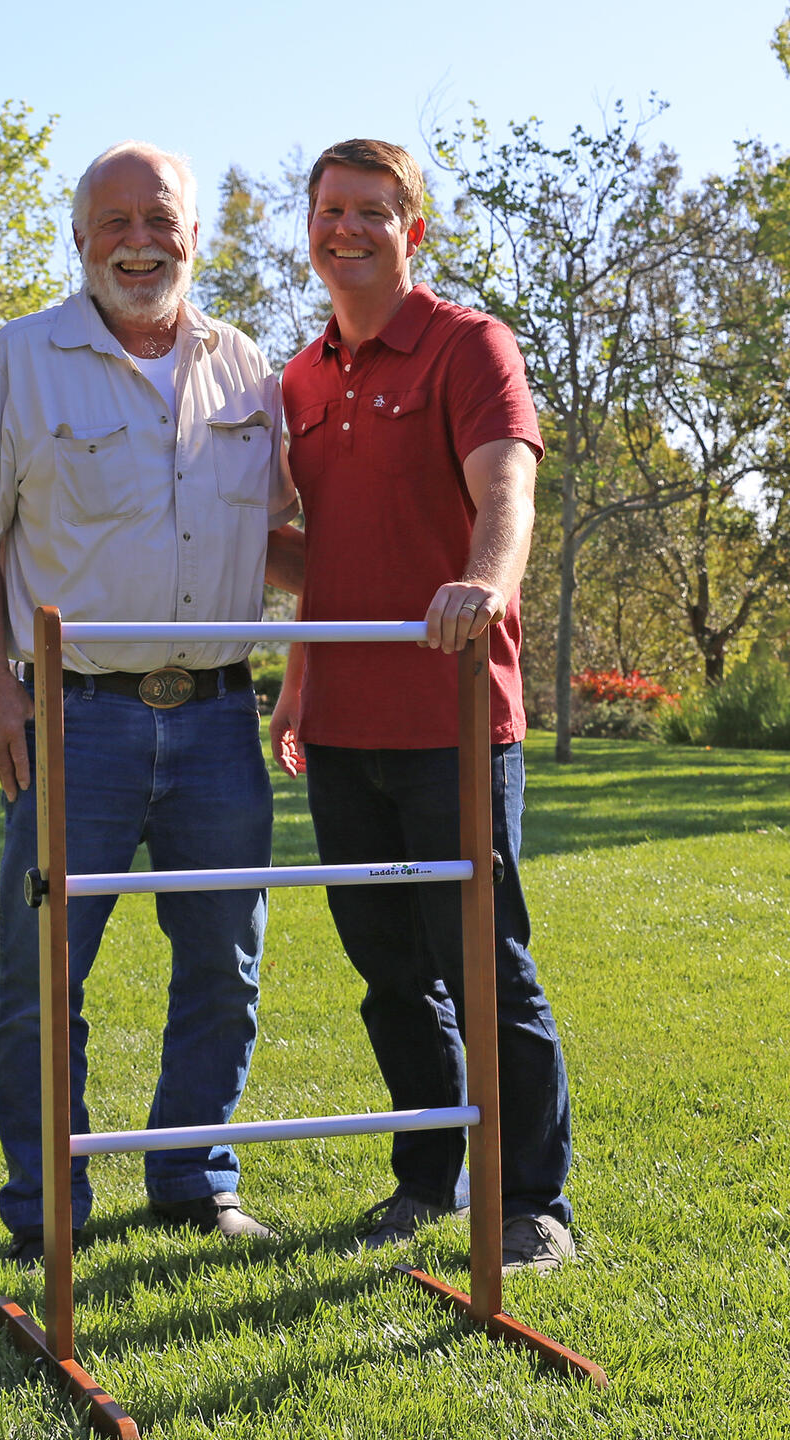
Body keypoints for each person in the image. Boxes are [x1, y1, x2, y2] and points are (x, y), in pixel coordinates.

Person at [0, 141, 302, 1265]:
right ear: (81, 238)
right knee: (43, 974)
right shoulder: (20, 360)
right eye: (114, 223)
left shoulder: (248, 369)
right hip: (75, 721)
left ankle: (195, 1180)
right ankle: (50, 1207)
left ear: (195, 234)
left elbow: (283, 544)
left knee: (225, 968)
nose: (140, 242)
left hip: (219, 722)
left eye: (162, 220)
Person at [271, 139, 575, 1274]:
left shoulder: (468, 345)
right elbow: (329, 556)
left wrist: (487, 581)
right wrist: (298, 677)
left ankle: (535, 1201)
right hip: (342, 730)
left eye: (369, 211)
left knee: (484, 966)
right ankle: (426, 1178)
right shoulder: (299, 379)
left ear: (415, 230)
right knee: (388, 971)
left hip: (452, 721)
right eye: (327, 211)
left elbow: (508, 490)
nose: (343, 229)